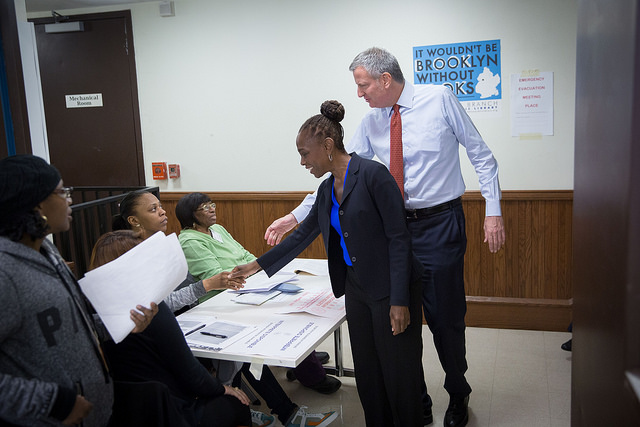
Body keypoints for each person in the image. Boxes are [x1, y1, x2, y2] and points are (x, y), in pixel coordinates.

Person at [264, 47, 506, 427]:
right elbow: (337, 173)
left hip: (438, 225)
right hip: (392, 231)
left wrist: (493, 210)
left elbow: (480, 154)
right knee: (401, 328)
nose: (359, 94)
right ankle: (417, 399)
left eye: (363, 85)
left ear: (385, 80)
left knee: (445, 320)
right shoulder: (371, 122)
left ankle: (457, 392)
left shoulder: (439, 99)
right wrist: (294, 217)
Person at [232, 100, 425, 427]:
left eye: (305, 153)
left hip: (389, 289)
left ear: (328, 145)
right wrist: (254, 267)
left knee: (399, 373)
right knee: (367, 373)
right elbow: (301, 236)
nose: (302, 161)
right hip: (356, 288)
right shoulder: (325, 190)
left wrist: (399, 300)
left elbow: (399, 238)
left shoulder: (373, 176)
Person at [113, 190, 337, 427]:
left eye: (160, 206)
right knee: (244, 347)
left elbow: (243, 256)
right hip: (185, 321)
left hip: (194, 313)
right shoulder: (143, 250)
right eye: (153, 209)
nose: (162, 211)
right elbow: (166, 302)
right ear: (133, 220)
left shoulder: (170, 243)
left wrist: (247, 269)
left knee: (249, 350)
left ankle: (282, 410)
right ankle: (278, 410)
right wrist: (207, 285)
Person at [0, 154, 157, 426]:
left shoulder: (46, 251)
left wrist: (122, 324)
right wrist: (53, 402)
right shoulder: (5, 273)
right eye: (62, 192)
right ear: (36, 204)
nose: (70, 199)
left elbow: (71, 327)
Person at [175, 192, 341, 395]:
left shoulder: (216, 229)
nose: (212, 209)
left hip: (248, 285)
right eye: (205, 207)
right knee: (281, 312)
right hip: (224, 299)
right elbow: (216, 275)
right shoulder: (189, 240)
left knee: (295, 298)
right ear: (190, 215)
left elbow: (244, 254)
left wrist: (255, 268)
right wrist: (250, 272)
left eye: (212, 205)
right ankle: (311, 373)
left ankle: (303, 358)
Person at [89, 230, 253, 427]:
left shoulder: (92, 315)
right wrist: (223, 389)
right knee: (238, 403)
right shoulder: (152, 308)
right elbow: (191, 373)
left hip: (124, 412)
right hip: (172, 411)